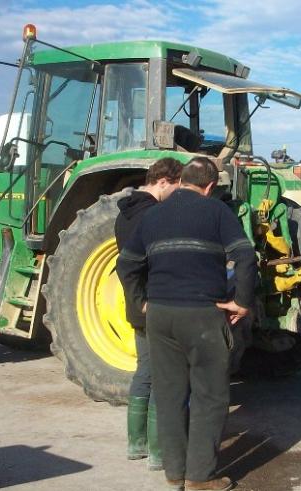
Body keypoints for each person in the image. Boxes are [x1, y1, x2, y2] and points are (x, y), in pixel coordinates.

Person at [117, 157, 256, 491]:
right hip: (203, 316)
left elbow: (127, 265)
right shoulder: (217, 212)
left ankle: (174, 474)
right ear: (209, 186)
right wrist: (242, 302)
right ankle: (200, 478)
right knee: (209, 397)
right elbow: (245, 255)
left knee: (169, 395)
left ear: (181, 181)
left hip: (161, 317)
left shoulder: (152, 215)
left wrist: (141, 303)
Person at [114, 157, 183, 471]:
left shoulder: (124, 213)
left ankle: (135, 444)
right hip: (155, 303)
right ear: (164, 181)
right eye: (178, 187)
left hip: (135, 303)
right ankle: (159, 453)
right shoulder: (155, 216)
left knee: (145, 371)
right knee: (163, 377)